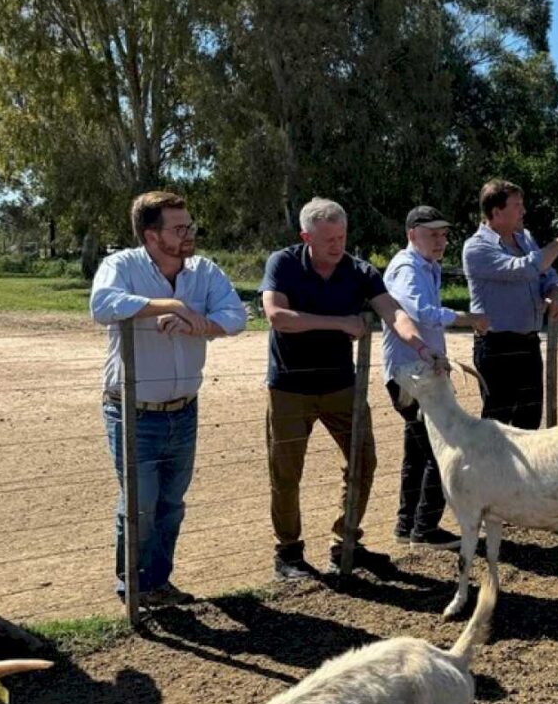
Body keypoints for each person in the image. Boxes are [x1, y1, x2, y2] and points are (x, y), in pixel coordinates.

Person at [261, 197, 446, 581]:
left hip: (342, 386)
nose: (337, 245)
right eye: (328, 238)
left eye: (342, 236)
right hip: (289, 387)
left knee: (363, 461)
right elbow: (277, 316)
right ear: (305, 236)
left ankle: (346, 542)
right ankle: (289, 553)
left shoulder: (359, 271)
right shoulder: (283, 263)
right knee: (286, 472)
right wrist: (339, 323)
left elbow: (394, 312)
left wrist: (423, 348)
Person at [90, 190, 247, 607]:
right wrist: (171, 304)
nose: (189, 234)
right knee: (139, 506)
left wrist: (198, 325)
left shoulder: (204, 271)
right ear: (151, 235)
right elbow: (103, 305)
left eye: (189, 225)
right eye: (179, 228)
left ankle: (157, 583)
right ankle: (134, 588)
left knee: (171, 505)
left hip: (184, 409)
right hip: (132, 411)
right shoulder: (121, 266)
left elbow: (236, 316)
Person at [382, 205, 490, 549]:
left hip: (417, 371)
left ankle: (408, 526)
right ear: (412, 234)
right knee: (437, 449)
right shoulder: (406, 267)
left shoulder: (427, 266)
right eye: (433, 234)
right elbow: (418, 311)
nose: (441, 240)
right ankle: (424, 529)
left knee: (418, 450)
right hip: (410, 374)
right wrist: (465, 317)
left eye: (443, 234)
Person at [461, 179, 558, 428]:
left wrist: (556, 292)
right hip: (497, 346)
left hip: (528, 342)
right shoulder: (476, 248)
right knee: (498, 427)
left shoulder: (525, 239)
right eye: (517, 205)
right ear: (496, 212)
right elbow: (524, 268)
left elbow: (548, 274)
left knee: (529, 422)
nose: (524, 211)